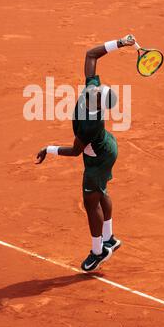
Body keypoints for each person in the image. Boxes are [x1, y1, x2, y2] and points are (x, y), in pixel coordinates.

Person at [36, 34, 135, 271]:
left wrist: (48, 149)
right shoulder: (92, 90)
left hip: (97, 158)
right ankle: (109, 237)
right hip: (107, 148)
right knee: (101, 191)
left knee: (91, 203)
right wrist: (121, 42)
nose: (95, 87)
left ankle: (98, 251)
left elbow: (74, 151)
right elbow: (91, 54)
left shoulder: (92, 123)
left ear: (99, 103)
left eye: (98, 91)